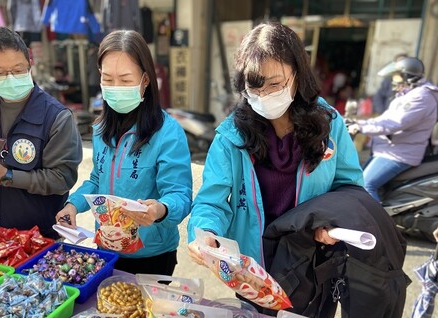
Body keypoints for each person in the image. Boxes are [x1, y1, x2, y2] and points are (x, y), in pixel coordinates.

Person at [186, 22, 364, 267]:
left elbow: (350, 188)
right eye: (255, 87)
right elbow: (211, 200)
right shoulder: (232, 136)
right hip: (252, 266)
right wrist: (205, 232)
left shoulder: (329, 126)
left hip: (312, 263)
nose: (264, 96)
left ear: (297, 75)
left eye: (275, 84)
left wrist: (332, 222)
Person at [55, 30, 192, 276]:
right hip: (106, 249)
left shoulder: (168, 133)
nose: (115, 88)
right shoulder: (100, 129)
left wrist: (159, 209)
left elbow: (180, 195)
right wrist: (72, 205)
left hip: (153, 255)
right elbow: (97, 180)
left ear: (146, 80)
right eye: (107, 79)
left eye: (126, 80)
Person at [0, 27, 83, 239]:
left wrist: (7, 176)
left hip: (40, 237)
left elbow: (62, 178)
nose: (10, 78)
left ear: (30, 64)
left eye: (17, 70)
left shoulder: (56, 116)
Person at [348, 57, 438, 202]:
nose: (393, 81)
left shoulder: (421, 97)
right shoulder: (409, 94)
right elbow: (385, 119)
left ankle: (378, 223)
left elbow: (395, 123)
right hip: (388, 149)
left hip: (398, 153)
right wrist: (358, 122)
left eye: (396, 76)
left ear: (408, 77)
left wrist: (361, 127)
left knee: (364, 185)